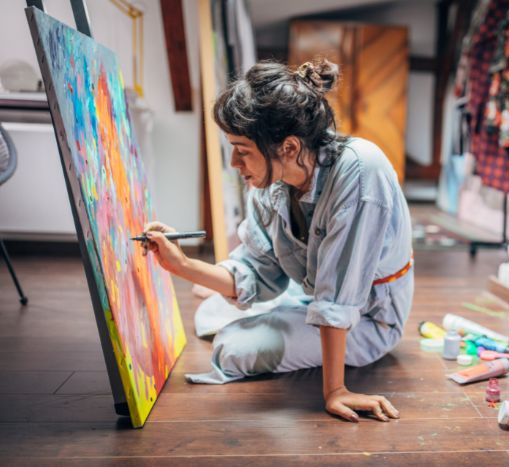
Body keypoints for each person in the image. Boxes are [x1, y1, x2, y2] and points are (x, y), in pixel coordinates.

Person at [143, 59, 413, 423]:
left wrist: (336, 391)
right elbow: (257, 271)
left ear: (287, 147)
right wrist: (182, 265)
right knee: (211, 312)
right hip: (311, 293)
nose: (235, 163)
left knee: (233, 348)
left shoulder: (361, 173)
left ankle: (282, 320)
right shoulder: (272, 183)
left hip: (367, 318)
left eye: (242, 150)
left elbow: (336, 298)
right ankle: (279, 314)